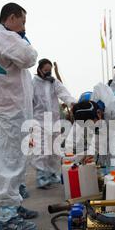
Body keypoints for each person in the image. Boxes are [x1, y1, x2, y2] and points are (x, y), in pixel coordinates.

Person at [0, 3, 39, 230]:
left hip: (12, 112)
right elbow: (29, 57)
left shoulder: (3, 38)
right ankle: (7, 217)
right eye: (23, 21)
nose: (24, 27)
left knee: (16, 160)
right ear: (11, 18)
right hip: (9, 113)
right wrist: (24, 41)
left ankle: (14, 206)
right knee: (9, 162)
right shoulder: (4, 36)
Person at [31, 59, 75, 189]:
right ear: (39, 70)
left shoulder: (53, 83)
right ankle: (41, 176)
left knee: (54, 149)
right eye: (45, 70)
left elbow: (64, 93)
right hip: (39, 121)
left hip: (54, 121)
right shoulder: (33, 84)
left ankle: (51, 173)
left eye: (49, 70)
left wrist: (72, 103)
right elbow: (28, 101)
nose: (48, 73)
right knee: (41, 149)